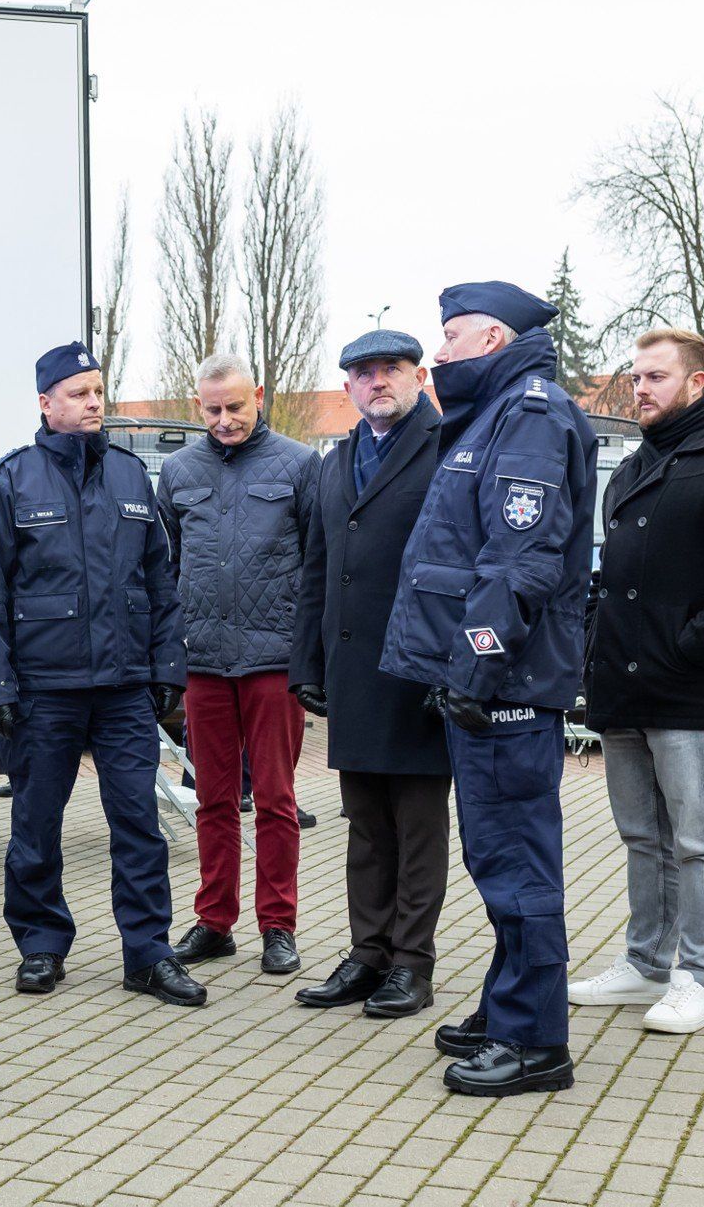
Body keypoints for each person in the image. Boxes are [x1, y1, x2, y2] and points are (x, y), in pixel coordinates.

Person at [379, 281, 597, 1096]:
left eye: (454, 335)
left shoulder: (530, 415)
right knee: (495, 854)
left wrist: (474, 662)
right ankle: (508, 1005)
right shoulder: (498, 413)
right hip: (486, 677)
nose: (438, 353)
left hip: (504, 680)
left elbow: (521, 560)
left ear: (496, 339)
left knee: (517, 862)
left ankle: (537, 1041)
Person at [0, 340, 205, 1006]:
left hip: (123, 689)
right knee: (37, 823)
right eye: (78, 393)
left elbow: (160, 580)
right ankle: (40, 943)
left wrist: (168, 668)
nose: (94, 402)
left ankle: (148, 954)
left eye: (98, 390)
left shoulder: (130, 477)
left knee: (139, 824)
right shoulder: (10, 482)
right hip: (45, 690)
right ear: (46, 403)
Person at [571, 328, 704, 1033]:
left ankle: (698, 976)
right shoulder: (632, 469)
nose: (640, 388)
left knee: (698, 838)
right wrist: (594, 645)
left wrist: (691, 646)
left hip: (689, 688)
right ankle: (645, 963)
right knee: (643, 835)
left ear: (697, 384)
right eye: (636, 377)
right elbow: (612, 580)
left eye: (656, 377)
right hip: (625, 687)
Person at [291, 330, 451, 1018]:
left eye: (390, 369)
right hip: (354, 668)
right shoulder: (338, 459)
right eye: (362, 372)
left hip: (418, 671)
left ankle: (412, 964)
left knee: (416, 826)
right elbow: (317, 567)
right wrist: (308, 660)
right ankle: (368, 953)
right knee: (364, 825)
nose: (376, 380)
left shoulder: (448, 448)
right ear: (349, 386)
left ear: (417, 376)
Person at [155, 353, 320, 977]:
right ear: (199, 404)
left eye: (235, 407)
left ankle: (278, 925)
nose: (224, 420)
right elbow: (163, 569)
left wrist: (311, 658)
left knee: (275, 798)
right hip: (204, 661)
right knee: (212, 800)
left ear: (258, 395)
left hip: (275, 659)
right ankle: (214, 921)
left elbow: (317, 566)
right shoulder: (177, 471)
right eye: (212, 410)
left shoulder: (302, 464)